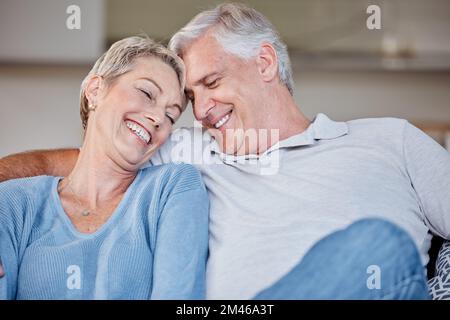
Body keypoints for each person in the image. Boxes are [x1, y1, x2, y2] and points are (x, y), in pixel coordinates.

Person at [1, 3, 450, 299]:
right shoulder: (186, 153)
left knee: (377, 246)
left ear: (266, 63)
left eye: (212, 83)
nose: (202, 111)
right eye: (191, 100)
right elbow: (66, 167)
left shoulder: (391, 140)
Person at [0, 36, 209, 299]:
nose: (158, 118)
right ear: (95, 91)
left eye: (171, 115)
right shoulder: (13, 202)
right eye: (146, 93)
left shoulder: (172, 188)